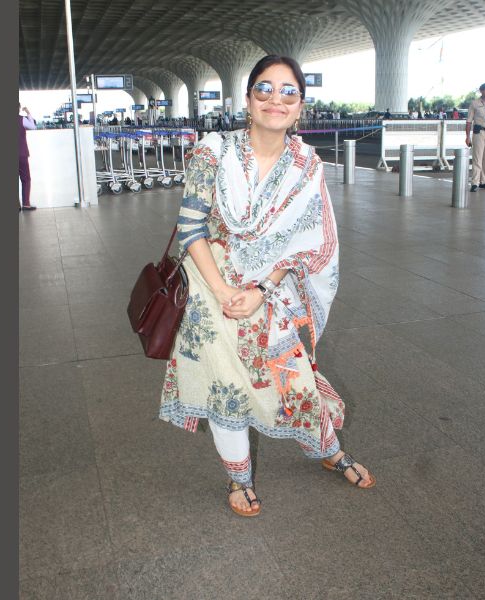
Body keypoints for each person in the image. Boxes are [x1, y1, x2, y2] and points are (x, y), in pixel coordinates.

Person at [160, 54, 375, 518]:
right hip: (210, 288)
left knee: (292, 377)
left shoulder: (306, 165)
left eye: (288, 92)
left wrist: (261, 289)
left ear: (300, 107)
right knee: (224, 385)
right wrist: (223, 292)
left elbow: (304, 243)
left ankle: (329, 450)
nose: (276, 100)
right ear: (248, 99)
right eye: (265, 88)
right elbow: (190, 227)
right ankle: (239, 479)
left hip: (267, 293)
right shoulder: (213, 152)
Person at [18, 103, 37, 211]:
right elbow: (33, 127)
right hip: (21, 154)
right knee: (25, 179)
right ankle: (26, 204)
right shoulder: (22, 119)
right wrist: (28, 113)